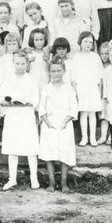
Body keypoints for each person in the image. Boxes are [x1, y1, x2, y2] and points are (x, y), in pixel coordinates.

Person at [0, 50, 40, 190]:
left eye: (23, 63)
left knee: (31, 148)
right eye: (17, 63)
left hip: (26, 115)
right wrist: (7, 102)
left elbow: (36, 98)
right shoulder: (8, 78)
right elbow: (2, 97)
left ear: (27, 64)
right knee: (12, 147)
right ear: (13, 63)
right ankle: (12, 179)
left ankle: (34, 178)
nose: (20, 66)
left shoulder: (31, 79)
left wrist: (27, 102)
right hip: (12, 115)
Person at [39, 57, 78, 193]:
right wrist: (48, 123)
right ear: (49, 72)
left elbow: (73, 108)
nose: (56, 73)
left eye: (59, 70)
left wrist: (64, 122)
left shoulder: (69, 89)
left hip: (65, 123)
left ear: (64, 71)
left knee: (64, 153)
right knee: (49, 153)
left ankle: (63, 182)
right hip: (49, 123)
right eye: (53, 71)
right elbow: (41, 108)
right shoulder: (46, 88)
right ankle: (51, 182)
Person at [72, 32, 103, 146]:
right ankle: (84, 138)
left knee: (92, 113)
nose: (88, 44)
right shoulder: (76, 57)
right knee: (83, 113)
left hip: (93, 87)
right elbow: (73, 77)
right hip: (81, 87)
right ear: (80, 42)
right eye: (85, 41)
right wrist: (75, 91)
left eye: (90, 42)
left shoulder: (95, 57)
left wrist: (100, 90)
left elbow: (100, 75)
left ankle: (93, 137)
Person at [27, 28, 50, 93]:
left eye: (41, 40)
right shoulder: (29, 54)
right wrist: (29, 62)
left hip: (44, 80)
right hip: (32, 80)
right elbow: (26, 70)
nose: (39, 42)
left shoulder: (48, 53)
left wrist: (47, 61)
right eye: (36, 40)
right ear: (32, 41)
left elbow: (50, 70)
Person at [97, 42, 111, 145]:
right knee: (104, 116)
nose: (104, 56)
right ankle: (103, 135)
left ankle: (111, 136)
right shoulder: (99, 65)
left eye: (107, 54)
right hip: (102, 94)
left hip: (111, 94)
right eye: (102, 54)